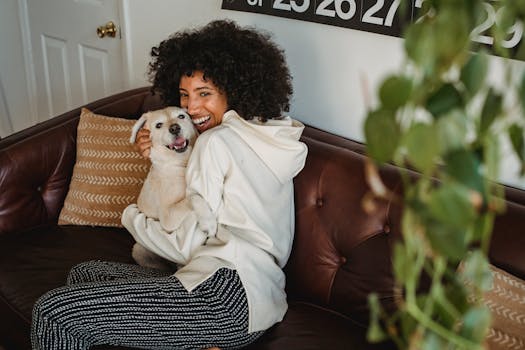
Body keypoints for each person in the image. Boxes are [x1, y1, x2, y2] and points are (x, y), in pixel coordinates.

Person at [31, 19, 307, 350]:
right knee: (86, 274)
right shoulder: (267, 136)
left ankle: (201, 336)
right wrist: (163, 156)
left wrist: (131, 217)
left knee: (53, 313)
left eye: (205, 94)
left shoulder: (215, 142)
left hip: (224, 294)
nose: (191, 108)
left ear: (234, 90)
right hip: (261, 297)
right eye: (185, 95)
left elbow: (182, 246)